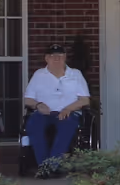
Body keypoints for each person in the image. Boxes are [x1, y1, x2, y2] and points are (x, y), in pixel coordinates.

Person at [23, 44, 89, 176]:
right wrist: (38, 105)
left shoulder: (75, 74)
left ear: (65, 57)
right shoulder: (39, 74)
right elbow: (27, 100)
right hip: (44, 113)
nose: (56, 59)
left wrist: (68, 108)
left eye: (60, 56)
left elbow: (85, 100)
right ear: (46, 58)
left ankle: (50, 166)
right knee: (33, 124)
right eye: (53, 56)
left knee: (67, 126)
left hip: (68, 112)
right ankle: (44, 166)